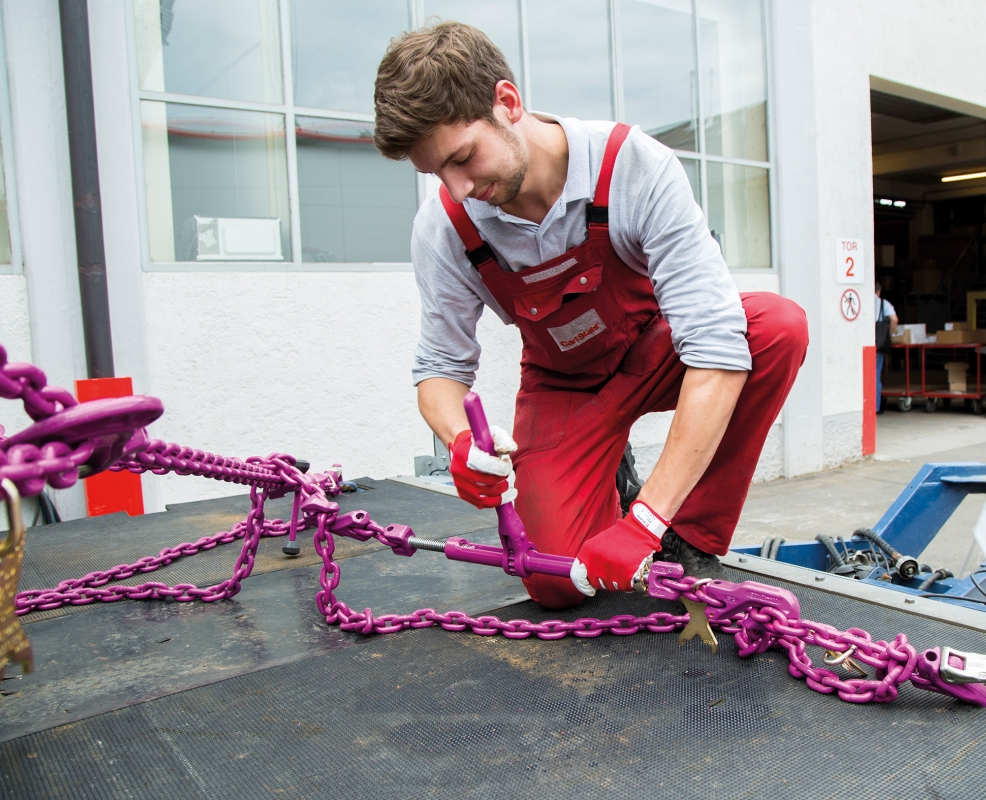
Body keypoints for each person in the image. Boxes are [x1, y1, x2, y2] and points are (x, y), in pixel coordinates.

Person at [373, 22, 809, 609]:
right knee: (554, 583)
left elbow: (714, 346)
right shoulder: (445, 227)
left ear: (507, 102)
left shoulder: (633, 168)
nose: (459, 186)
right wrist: (457, 440)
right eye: (437, 173)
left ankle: (688, 534)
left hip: (657, 353)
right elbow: (439, 368)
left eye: (463, 158)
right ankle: (608, 476)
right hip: (565, 384)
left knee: (775, 328)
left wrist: (647, 524)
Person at [874, 282, 898, 413]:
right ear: (878, 291)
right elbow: (894, 320)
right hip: (878, 344)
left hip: (863, 345)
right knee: (875, 375)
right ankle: (876, 407)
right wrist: (890, 334)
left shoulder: (861, 301)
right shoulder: (883, 304)